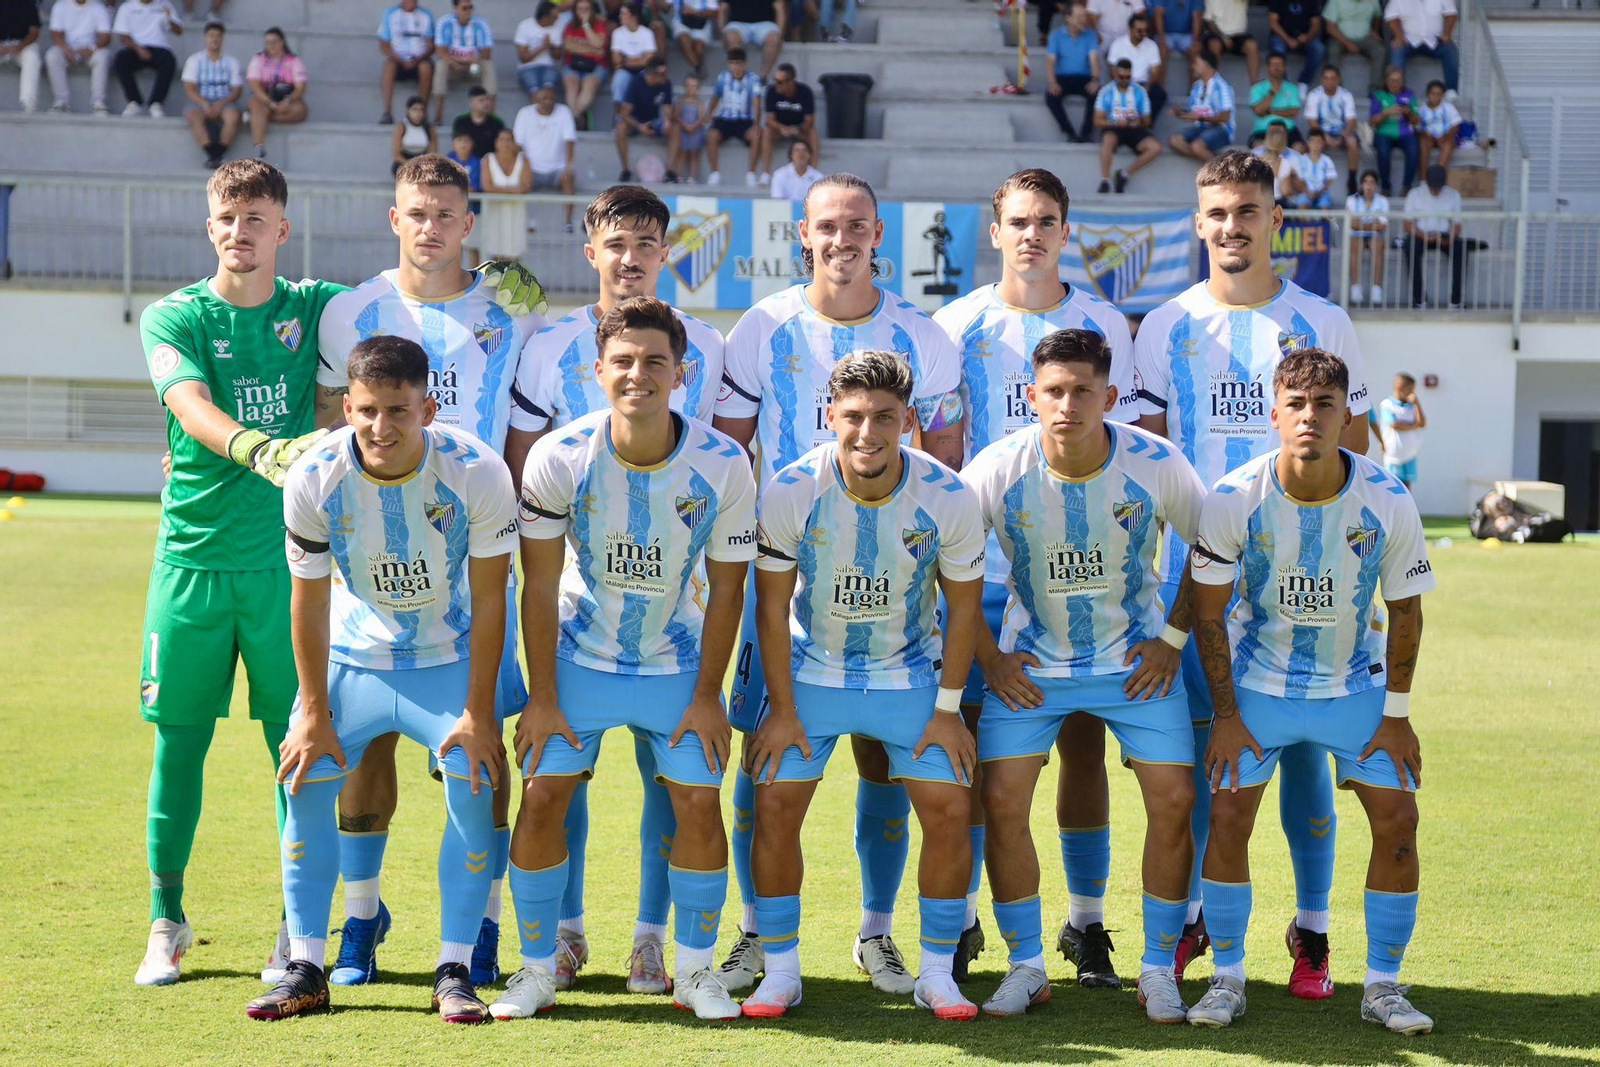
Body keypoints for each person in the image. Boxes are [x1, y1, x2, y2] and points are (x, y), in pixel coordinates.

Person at [711, 173, 966, 999]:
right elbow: (727, 455)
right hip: (784, 574)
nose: (842, 235)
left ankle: (878, 931)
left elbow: (947, 462)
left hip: (893, 583)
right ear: (803, 233)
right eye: (828, 223)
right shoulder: (761, 326)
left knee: (886, 767)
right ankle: (758, 934)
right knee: (768, 760)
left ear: (879, 233)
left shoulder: (923, 337)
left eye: (857, 222)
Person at [1132, 149, 1372, 998]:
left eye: (1248, 211)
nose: (1232, 227)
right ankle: (1198, 912)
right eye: (1217, 213)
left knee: (1306, 760)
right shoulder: (1165, 326)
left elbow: (1362, 450)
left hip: (1305, 590)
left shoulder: (1322, 321)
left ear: (1276, 219)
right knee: (1209, 759)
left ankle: (1312, 933)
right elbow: (1148, 457)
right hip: (1197, 587)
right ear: (1198, 224)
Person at [312, 153, 548, 992]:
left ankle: (481, 922)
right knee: (362, 744)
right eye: (418, 212)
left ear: (468, 221)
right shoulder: (350, 311)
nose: (432, 226)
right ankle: (362, 913)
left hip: (475, 550)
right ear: (395, 217)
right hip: (370, 563)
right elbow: (324, 425)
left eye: (447, 213)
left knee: (483, 743)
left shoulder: (511, 306)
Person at [488, 297, 757, 1022]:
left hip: (676, 665)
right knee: (543, 794)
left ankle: (695, 971)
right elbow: (537, 583)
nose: (640, 374)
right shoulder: (558, 455)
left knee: (696, 800)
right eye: (625, 361)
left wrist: (710, 696)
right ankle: (538, 966)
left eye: (656, 362)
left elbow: (730, 589)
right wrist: (543, 695)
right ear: (598, 368)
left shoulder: (723, 463)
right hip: (580, 658)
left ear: (682, 371)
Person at [245, 334, 519, 1023]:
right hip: (354, 656)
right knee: (304, 771)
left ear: (428, 407)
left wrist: (480, 710)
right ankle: (305, 964)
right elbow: (306, 598)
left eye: (398, 410)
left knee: (475, 773)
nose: (380, 427)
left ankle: (455, 967)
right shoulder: (315, 473)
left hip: (447, 655)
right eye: (366, 409)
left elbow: (492, 598)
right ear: (346, 405)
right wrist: (310, 708)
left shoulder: (477, 471)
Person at [133, 158, 347, 988]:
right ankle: (167, 918)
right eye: (226, 219)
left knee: (292, 750)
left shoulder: (315, 306)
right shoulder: (173, 314)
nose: (239, 233)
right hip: (189, 563)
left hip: (284, 570)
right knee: (177, 749)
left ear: (281, 230)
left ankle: (296, 929)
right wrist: (260, 447)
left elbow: (406, 303)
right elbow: (186, 401)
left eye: (256, 219)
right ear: (208, 225)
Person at [1184, 347, 1436, 1037]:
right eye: (1296, 403)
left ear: (1346, 413)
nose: (1310, 417)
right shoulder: (1235, 497)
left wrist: (1397, 717)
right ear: (1273, 414)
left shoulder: (1386, 497)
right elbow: (1208, 613)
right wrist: (1227, 717)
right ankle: (1228, 975)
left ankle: (1383, 983)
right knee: (1229, 817)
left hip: (1355, 687)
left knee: (1399, 823)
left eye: (1325, 404)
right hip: (1260, 685)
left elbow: (1407, 611)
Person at [961, 328, 1206, 1022]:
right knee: (1003, 797)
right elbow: (950, 562)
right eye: (1053, 391)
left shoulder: (1156, 462)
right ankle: (1027, 964)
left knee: (1174, 798)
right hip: (1032, 667)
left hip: (1134, 666)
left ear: (1111, 395)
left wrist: (1171, 639)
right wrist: (991, 657)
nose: (1067, 404)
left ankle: (1158, 968)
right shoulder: (999, 467)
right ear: (1031, 396)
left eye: (1082, 391)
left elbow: (1213, 546)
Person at [934, 169, 1140, 987]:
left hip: (1079, 572)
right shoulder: (957, 325)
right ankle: (970, 920)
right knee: (979, 754)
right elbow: (945, 449)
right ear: (995, 231)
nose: (1031, 234)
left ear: (1066, 229)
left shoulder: (1102, 321)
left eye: (1047, 220)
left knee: (1083, 746)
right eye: (1017, 220)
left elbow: (1128, 447)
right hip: (978, 566)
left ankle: (1086, 924)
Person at [736, 349, 986, 1021]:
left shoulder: (949, 496)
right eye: (852, 416)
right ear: (830, 416)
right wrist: (783, 709)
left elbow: (964, 606)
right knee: (776, 802)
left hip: (907, 672)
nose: (867, 432)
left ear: (908, 419)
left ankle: (937, 971)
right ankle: (781, 971)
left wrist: (947, 710)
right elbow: (770, 606)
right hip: (813, 668)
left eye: (884, 417)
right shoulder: (791, 488)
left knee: (949, 806)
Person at [512, 82, 578, 228]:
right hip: (532, 168)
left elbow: (570, 140)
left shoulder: (564, 111)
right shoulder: (524, 113)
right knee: (517, 181)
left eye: (551, 98)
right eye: (544, 98)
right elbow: (518, 145)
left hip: (557, 169)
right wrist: (522, 167)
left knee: (569, 178)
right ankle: (519, 222)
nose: (548, 101)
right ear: (536, 98)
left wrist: (569, 166)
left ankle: (568, 222)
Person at [181, 19, 242, 169]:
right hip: (200, 101)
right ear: (205, 37)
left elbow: (236, 90)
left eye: (218, 36)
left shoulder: (231, 62)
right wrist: (204, 103)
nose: (214, 39)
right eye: (211, 35)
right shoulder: (195, 60)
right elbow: (189, 88)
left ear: (222, 38)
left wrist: (221, 104)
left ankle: (218, 153)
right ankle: (212, 154)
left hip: (225, 101)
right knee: (193, 116)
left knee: (233, 116)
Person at [1403, 163, 1466, 309]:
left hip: (1444, 235)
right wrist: (1424, 237)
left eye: (1439, 186)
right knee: (1410, 247)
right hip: (1421, 235)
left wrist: (1450, 237)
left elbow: (1457, 224)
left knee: (1460, 249)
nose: (1436, 190)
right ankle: (1419, 298)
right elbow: (1407, 224)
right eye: (1433, 186)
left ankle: (1456, 300)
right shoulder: (1415, 194)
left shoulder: (1453, 195)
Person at [1094, 59, 1161, 195]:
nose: (1125, 79)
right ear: (1115, 74)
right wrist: (1114, 123)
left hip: (1134, 128)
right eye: (1121, 76)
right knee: (1107, 140)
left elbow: (1147, 120)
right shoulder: (1106, 91)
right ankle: (1105, 180)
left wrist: (1138, 121)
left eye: (1128, 77)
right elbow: (1097, 120)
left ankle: (1124, 174)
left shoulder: (1139, 91)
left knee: (1156, 147)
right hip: (1114, 127)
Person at [245, 27, 308, 160]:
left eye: (274, 42)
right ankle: (259, 148)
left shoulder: (294, 60)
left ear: (282, 42)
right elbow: (254, 85)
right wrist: (268, 102)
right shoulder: (259, 59)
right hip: (264, 97)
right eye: (267, 42)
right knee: (257, 107)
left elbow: (300, 87)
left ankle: (258, 121)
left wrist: (289, 100)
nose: (271, 46)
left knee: (301, 110)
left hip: (287, 98)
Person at [112, 0, 182, 117]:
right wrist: (139, 49)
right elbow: (124, 38)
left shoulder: (165, 5)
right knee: (120, 59)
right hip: (135, 48)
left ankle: (156, 103)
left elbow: (179, 31)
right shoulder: (127, 7)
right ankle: (134, 101)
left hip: (160, 47)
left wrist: (170, 18)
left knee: (169, 61)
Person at [1045, 2, 1101, 144]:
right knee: (1051, 95)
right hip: (1062, 78)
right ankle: (1069, 132)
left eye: (1084, 16)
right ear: (1068, 18)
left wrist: (1095, 79)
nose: (1083, 20)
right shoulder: (1056, 35)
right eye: (1079, 17)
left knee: (1098, 93)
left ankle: (1085, 134)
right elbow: (1051, 61)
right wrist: (1052, 82)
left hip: (1084, 78)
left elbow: (1094, 59)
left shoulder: (1090, 35)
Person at [707, 46, 763, 186]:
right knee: (712, 135)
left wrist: (756, 123)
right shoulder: (722, 77)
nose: (735, 67)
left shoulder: (753, 79)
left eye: (738, 63)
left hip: (744, 121)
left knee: (756, 136)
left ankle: (751, 173)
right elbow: (716, 96)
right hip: (725, 119)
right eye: (732, 63)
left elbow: (756, 103)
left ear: (744, 64)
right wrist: (708, 113)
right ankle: (715, 173)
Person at [44, 0, 112, 115]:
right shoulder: (61, 5)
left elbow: (106, 36)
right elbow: (55, 33)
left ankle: (98, 103)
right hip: (68, 48)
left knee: (103, 56)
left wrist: (91, 48)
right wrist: (66, 49)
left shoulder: (98, 7)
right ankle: (61, 101)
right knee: (52, 55)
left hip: (90, 48)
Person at [614, 60, 677, 182]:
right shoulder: (635, 82)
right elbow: (624, 113)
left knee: (675, 127)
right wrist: (639, 126)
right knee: (620, 127)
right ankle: (626, 171)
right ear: (652, 75)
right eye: (662, 74)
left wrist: (668, 120)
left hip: (654, 120)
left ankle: (669, 171)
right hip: (635, 121)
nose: (666, 76)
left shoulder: (666, 83)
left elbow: (668, 111)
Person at [434, 0, 495, 123]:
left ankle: (491, 115)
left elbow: (487, 53)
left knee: (488, 66)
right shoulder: (444, 23)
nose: (469, 11)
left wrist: (474, 60)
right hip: (453, 67)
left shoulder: (481, 23)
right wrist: (459, 61)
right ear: (455, 8)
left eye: (471, 8)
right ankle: (438, 115)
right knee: (441, 66)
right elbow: (440, 51)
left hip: (474, 67)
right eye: (465, 8)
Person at [758, 63, 818, 185]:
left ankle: (812, 173)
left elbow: (810, 120)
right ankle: (765, 173)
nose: (776, 85)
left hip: (799, 129)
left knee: (813, 133)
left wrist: (798, 128)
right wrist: (782, 128)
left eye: (780, 82)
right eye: (775, 80)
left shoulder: (805, 92)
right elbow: (769, 119)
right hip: (779, 128)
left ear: (790, 82)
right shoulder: (771, 91)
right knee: (766, 131)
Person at [1301, 64, 1358, 194]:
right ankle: (1305, 180)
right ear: (1321, 80)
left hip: (1341, 132)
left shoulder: (1346, 95)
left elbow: (1351, 122)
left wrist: (1341, 137)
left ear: (1338, 79)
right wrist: (1325, 137)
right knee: (1305, 147)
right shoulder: (1314, 94)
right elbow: (1312, 122)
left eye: (1333, 78)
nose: (1329, 81)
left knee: (1352, 143)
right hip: (1321, 132)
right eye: (1326, 78)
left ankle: (1352, 179)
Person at [1168, 51, 1234, 161]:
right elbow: (1193, 113)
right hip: (1200, 127)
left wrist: (1199, 118)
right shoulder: (1196, 86)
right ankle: (1210, 160)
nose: (1193, 66)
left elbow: (1225, 117)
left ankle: (1221, 173)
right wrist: (1180, 112)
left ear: (1206, 65)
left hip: (1221, 129)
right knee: (1174, 140)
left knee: (1197, 146)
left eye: (1196, 63)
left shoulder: (1222, 86)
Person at [378, 0, 435, 126]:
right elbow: (383, 45)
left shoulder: (426, 15)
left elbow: (431, 45)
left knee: (426, 68)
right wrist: (400, 59)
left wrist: (419, 59)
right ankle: (387, 112)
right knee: (388, 66)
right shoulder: (390, 14)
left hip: (419, 59)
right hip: (398, 59)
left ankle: (422, 113)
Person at [1384, 0, 1457, 95]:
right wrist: (1399, 35)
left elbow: (1451, 14)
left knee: (1449, 49)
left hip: (1434, 40)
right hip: (1408, 41)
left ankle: (1451, 90)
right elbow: (1391, 17)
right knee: (1397, 49)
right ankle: (1398, 91)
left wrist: (1447, 33)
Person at [1370, 64, 1417, 195]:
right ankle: (1386, 187)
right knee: (1383, 151)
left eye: (1398, 80)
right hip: (1384, 132)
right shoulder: (1378, 95)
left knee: (1413, 149)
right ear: (1386, 81)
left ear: (1403, 81)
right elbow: (1372, 121)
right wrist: (1386, 113)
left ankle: (1407, 187)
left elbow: (1417, 121)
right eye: (1392, 80)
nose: (1395, 84)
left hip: (1405, 132)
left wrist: (1409, 113)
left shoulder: (1410, 94)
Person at [561, 0, 609, 129]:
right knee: (571, 83)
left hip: (596, 65)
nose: (582, 12)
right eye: (579, 9)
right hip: (573, 63)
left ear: (592, 11)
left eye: (586, 9)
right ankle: (576, 117)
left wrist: (586, 25)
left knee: (590, 84)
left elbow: (599, 43)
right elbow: (569, 46)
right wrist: (592, 50)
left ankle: (573, 117)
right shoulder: (570, 25)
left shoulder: (599, 25)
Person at [1107, 12, 1166, 116]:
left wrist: (1148, 85)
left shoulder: (1152, 45)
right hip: (1123, 81)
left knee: (1160, 95)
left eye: (1145, 30)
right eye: (1139, 30)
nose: (1143, 33)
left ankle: (1145, 123)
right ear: (1130, 29)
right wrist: (1124, 84)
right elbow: (1112, 71)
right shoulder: (1117, 44)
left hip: (1144, 83)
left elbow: (1155, 72)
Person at [1346, 168, 1388, 304]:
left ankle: (1376, 290)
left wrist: (1362, 223)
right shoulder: (1352, 200)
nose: (1368, 186)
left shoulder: (1383, 201)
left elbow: (1383, 225)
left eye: (1372, 182)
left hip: (1376, 236)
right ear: (1361, 184)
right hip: (1357, 235)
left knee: (1378, 245)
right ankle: (1356, 289)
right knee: (1355, 244)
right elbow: (1352, 224)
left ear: (1376, 185)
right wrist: (1372, 222)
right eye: (1365, 182)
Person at [1374, 372, 1424, 486]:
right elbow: (1394, 424)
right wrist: (1413, 426)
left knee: (1407, 488)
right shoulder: (1387, 404)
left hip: (1410, 455)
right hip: (1393, 457)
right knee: (1393, 487)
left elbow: (1422, 423)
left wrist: (1417, 403)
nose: (1412, 393)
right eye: (1410, 389)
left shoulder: (1412, 405)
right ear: (1399, 387)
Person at [1320, 0, 1385, 85]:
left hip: (1365, 38)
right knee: (1333, 49)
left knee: (1380, 51)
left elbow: (1378, 16)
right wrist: (1348, 44)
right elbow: (1330, 27)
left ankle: (1375, 90)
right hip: (1340, 38)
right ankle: (1336, 88)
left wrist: (1375, 30)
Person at [1247, 52, 1302, 148]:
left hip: (1288, 129)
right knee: (1258, 146)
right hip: (1263, 130)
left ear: (1285, 67)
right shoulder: (1257, 88)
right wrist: (1272, 93)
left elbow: (1293, 112)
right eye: (1273, 65)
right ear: (1267, 67)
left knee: (1299, 147)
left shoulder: (1293, 88)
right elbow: (1258, 110)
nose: (1276, 68)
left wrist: (1270, 111)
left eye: (1279, 64)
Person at [446, 131, 484, 266]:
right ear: (454, 144)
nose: (463, 144)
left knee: (473, 246)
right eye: (459, 140)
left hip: (472, 211)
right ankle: (454, 280)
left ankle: (475, 279)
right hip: (451, 213)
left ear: (472, 144)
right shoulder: (447, 161)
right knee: (454, 248)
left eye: (466, 140)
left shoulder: (478, 162)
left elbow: (478, 186)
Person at [720, 0, 784, 79]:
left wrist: (780, 33)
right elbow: (722, 9)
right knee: (731, 37)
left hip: (765, 23)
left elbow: (780, 8)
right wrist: (722, 32)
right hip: (738, 23)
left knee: (774, 39)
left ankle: (764, 77)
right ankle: (738, 76)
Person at [1267, 0, 1325, 87]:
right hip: (1282, 37)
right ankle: (1285, 85)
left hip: (1304, 38)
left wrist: (1307, 37)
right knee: (1277, 48)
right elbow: (1273, 22)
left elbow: (1316, 24)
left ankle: (1303, 83)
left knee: (1319, 48)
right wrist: (1288, 39)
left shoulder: (1311, 1)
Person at [514, 1, 565, 98]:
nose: (557, 19)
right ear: (545, 17)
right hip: (527, 68)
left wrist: (551, 46)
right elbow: (523, 58)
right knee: (536, 93)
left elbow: (558, 56)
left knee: (549, 92)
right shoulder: (525, 26)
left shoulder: (557, 27)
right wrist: (543, 47)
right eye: (554, 17)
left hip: (548, 67)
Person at [610, 1, 657, 105]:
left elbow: (648, 61)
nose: (620, 16)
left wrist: (625, 59)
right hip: (625, 70)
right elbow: (616, 60)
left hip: (643, 71)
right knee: (618, 81)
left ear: (634, 17)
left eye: (624, 13)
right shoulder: (617, 33)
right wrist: (639, 58)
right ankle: (619, 114)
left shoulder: (647, 33)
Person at [1201, 0, 1258, 83]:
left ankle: (1254, 86)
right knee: (1214, 45)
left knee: (1252, 46)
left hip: (1239, 34)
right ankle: (1211, 83)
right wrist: (1223, 37)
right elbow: (1209, 21)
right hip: (1218, 33)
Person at [1414, 79, 1461, 172]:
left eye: (1439, 94)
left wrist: (1446, 135)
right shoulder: (1422, 109)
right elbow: (1417, 128)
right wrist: (1425, 133)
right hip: (1428, 137)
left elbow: (1456, 125)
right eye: (1432, 93)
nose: (1435, 97)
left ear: (1443, 96)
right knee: (1422, 143)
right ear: (1427, 94)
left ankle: (1438, 176)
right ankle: (1423, 180)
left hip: (1444, 136)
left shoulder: (1448, 107)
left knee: (1448, 144)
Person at [452, 84, 506, 159]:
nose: (486, 103)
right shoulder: (461, 121)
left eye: (487, 99)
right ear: (471, 103)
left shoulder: (497, 122)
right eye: (481, 100)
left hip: (490, 162)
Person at [1290, 128, 1337, 207]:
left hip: (1322, 193)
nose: (1315, 144)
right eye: (1312, 140)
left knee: (1325, 207)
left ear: (1323, 143)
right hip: (1305, 192)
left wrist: (1318, 193)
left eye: (1319, 141)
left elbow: (1329, 180)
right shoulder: (1301, 160)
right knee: (1303, 205)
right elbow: (1298, 179)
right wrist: (1307, 191)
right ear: (1308, 143)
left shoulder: (1327, 160)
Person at [674, 73, 708, 181]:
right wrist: (684, 125)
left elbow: (702, 117)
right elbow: (676, 115)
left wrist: (694, 126)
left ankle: (692, 177)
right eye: (688, 85)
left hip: (695, 131)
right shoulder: (680, 101)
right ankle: (679, 176)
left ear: (698, 88)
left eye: (694, 86)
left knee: (694, 154)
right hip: (683, 131)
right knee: (682, 153)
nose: (691, 89)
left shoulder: (699, 103)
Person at [393, 95, 436, 176]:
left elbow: (433, 152)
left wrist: (423, 165)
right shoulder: (402, 127)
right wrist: (408, 164)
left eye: (421, 110)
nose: (418, 113)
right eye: (414, 109)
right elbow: (396, 153)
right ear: (408, 110)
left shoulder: (430, 128)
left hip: (424, 160)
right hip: (405, 160)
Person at [673, 0, 719, 76]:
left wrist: (696, 12)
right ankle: (698, 68)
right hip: (681, 22)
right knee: (684, 39)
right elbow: (665, 6)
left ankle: (697, 69)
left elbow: (714, 13)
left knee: (699, 48)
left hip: (701, 23)